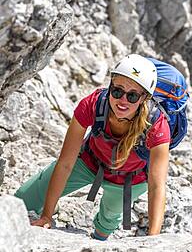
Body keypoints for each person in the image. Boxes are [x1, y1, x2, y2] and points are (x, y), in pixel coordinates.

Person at [15, 54, 170, 240]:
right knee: (21, 201)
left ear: (144, 98)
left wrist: (154, 240)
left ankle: (100, 239)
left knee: (107, 223)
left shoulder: (157, 125)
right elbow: (65, 163)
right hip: (89, 162)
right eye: (118, 91)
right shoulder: (93, 104)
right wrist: (46, 216)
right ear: (110, 86)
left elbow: (156, 186)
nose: (123, 101)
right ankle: (51, 206)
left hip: (130, 179)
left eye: (133, 95)